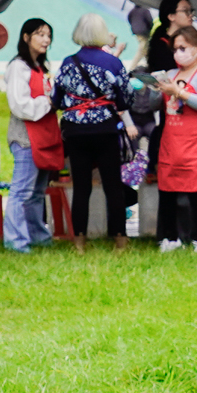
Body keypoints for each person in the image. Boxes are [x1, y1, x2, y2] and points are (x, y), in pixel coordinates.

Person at [52, 13, 135, 252]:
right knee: (112, 185)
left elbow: (56, 98)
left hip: (76, 131)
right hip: (106, 129)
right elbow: (126, 98)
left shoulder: (68, 63)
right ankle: (120, 239)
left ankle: (79, 241)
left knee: (81, 187)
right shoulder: (113, 62)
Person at [153, 27, 197, 253]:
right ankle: (170, 238)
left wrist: (178, 92)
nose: (178, 54)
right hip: (172, 141)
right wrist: (154, 89)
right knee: (168, 189)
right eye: (175, 49)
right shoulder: (171, 74)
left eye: (183, 48)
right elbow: (158, 105)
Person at [3, 18, 60, 253]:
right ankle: (16, 242)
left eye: (48, 35)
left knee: (37, 192)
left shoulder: (42, 67)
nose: (46, 40)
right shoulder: (18, 66)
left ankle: (38, 237)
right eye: (40, 34)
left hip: (44, 135)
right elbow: (19, 105)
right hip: (26, 137)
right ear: (26, 37)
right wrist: (48, 101)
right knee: (22, 192)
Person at [144, 0, 191, 73]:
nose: (190, 15)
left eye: (191, 11)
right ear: (171, 16)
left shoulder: (192, 41)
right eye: (185, 11)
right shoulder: (161, 46)